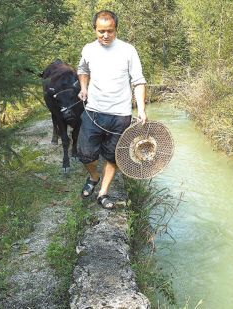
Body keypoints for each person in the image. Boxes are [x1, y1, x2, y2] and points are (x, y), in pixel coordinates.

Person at [77, 10, 147, 209]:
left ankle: (103, 193)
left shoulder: (128, 50)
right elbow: (82, 70)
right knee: (85, 154)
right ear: (95, 30)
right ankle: (93, 176)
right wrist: (83, 88)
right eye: (101, 31)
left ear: (116, 29)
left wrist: (141, 109)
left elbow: (139, 81)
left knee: (112, 156)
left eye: (110, 31)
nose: (105, 35)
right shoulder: (88, 49)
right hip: (93, 111)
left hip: (120, 115)